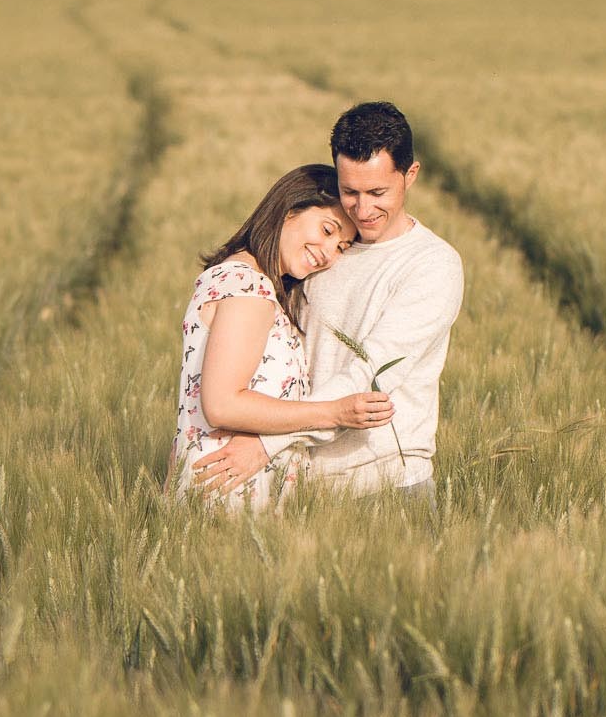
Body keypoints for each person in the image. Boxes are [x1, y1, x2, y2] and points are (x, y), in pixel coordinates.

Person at [191, 102, 464, 509]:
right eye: (349, 191)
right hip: (297, 482)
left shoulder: (432, 265)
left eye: (378, 192)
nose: (363, 209)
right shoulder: (322, 250)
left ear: (410, 175)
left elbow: (370, 373)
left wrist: (268, 442)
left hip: (386, 485)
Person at [170, 163, 397, 512]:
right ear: (290, 209)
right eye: (326, 230)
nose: (327, 253)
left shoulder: (247, 282)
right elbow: (222, 405)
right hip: (231, 490)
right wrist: (334, 413)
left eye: (341, 246)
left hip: (232, 485)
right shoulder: (248, 286)